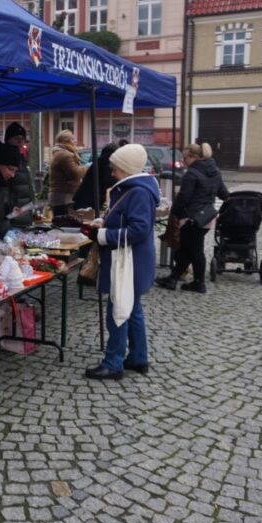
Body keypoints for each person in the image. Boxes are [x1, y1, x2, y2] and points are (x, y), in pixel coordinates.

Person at [82, 143, 160, 381]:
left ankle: (113, 363)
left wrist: (103, 235)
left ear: (126, 169)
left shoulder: (136, 192)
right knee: (132, 309)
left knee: (118, 311)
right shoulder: (135, 188)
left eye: (115, 168)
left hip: (128, 263)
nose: (112, 172)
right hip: (131, 261)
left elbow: (138, 230)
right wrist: (102, 224)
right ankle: (138, 357)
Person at [156, 142, 229, 293]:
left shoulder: (192, 173)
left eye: (185, 158)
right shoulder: (215, 171)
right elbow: (224, 194)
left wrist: (173, 212)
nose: (183, 161)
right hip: (207, 217)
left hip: (191, 218)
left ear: (194, 157)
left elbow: (184, 197)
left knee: (194, 251)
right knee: (187, 250)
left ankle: (198, 283)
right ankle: (173, 279)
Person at [49, 129, 87, 216]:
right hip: (64, 196)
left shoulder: (60, 153)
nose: (76, 141)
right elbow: (75, 174)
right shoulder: (65, 155)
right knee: (64, 223)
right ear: (67, 141)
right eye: (73, 139)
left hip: (61, 195)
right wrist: (87, 168)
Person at [3, 122, 34, 227]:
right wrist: (10, 208)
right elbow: (3, 191)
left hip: (23, 213)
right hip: (13, 217)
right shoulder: (5, 159)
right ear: (8, 140)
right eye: (16, 138)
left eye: (22, 138)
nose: (20, 141)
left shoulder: (21, 158)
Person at [73, 142, 117, 212]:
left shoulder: (100, 161)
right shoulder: (106, 162)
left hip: (86, 198)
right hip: (89, 201)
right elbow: (108, 180)